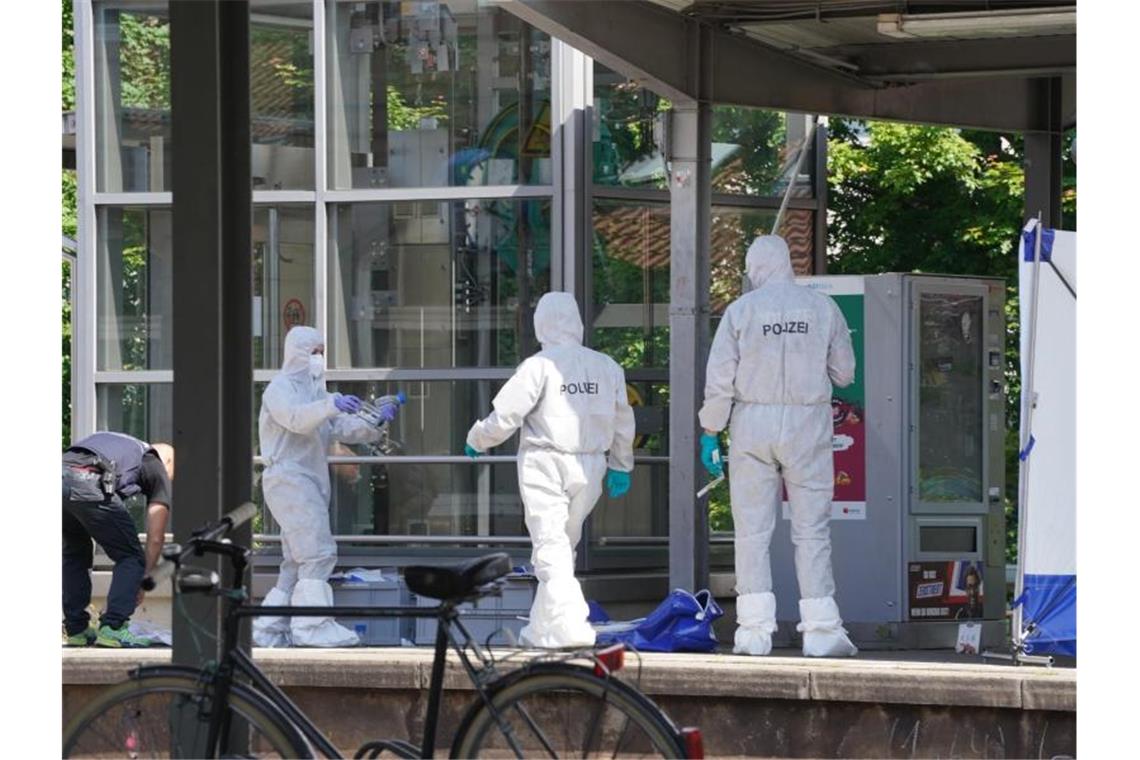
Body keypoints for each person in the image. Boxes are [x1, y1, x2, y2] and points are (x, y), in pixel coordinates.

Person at [699, 235, 858, 657]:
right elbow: (844, 373)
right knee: (812, 530)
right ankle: (822, 630)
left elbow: (719, 380)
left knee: (751, 530)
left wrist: (710, 430)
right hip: (808, 422)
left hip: (751, 422)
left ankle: (752, 631)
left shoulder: (740, 312)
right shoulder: (823, 308)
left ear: (756, 267)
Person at [465, 292, 635, 649]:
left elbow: (506, 416)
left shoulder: (538, 366)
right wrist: (621, 464)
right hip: (591, 465)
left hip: (545, 461)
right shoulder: (606, 366)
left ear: (541, 323)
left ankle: (570, 624)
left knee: (550, 544)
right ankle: (542, 628)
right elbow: (623, 420)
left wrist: (478, 439)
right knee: (562, 545)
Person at [252, 326, 388, 648]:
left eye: (321, 352)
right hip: (288, 480)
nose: (319, 359)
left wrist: (377, 421)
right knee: (317, 554)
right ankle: (312, 627)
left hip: (306, 481)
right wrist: (330, 405)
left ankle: (269, 629)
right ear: (296, 352)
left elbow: (340, 428)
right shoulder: (279, 389)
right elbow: (296, 419)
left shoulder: (317, 391)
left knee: (295, 562)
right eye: (314, 352)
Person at [62, 433, 174, 648]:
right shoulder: (154, 461)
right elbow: (156, 537)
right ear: (167, 461)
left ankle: (77, 629)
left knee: (75, 552)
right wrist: (143, 579)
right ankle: (113, 628)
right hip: (89, 480)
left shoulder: (121, 446)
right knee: (131, 556)